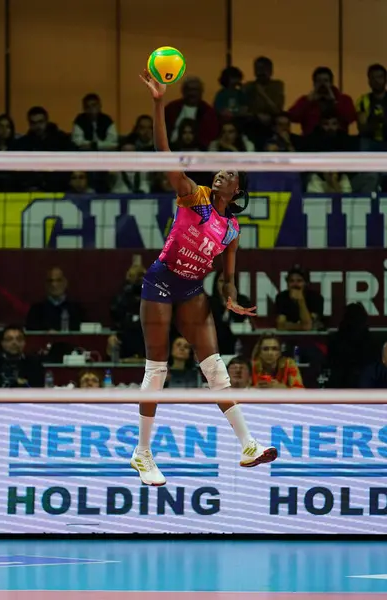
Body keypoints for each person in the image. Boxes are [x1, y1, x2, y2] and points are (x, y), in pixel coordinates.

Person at [131, 69, 277, 487]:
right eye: (220, 171)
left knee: (215, 368)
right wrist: (159, 102)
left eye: (230, 174)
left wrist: (229, 297)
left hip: (193, 290)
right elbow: (164, 153)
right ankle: (142, 453)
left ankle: (248, 445)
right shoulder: (192, 196)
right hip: (160, 282)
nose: (221, 174)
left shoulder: (232, 231)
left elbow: (227, 279)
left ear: (238, 190)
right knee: (156, 370)